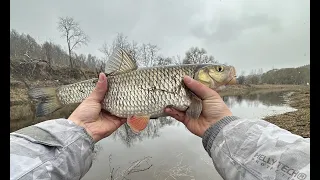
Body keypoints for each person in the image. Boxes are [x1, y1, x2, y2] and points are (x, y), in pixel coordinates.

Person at [10, 73, 310, 180]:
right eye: (217, 70)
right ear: (200, 76)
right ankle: (53, 97)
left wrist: (74, 132)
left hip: (120, 111)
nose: (223, 73)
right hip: (115, 102)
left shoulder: (194, 94)